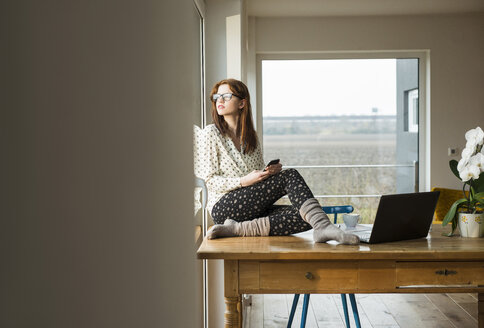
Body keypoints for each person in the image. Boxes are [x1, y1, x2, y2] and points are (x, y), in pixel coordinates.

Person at [198, 78, 358, 245]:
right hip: (224, 207)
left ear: (242, 103)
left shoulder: (251, 137)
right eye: (217, 96)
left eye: (226, 96)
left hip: (249, 206)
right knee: (289, 175)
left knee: (305, 216)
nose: (220, 100)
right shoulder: (210, 133)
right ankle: (324, 227)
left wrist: (267, 174)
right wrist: (243, 181)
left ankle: (235, 229)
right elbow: (209, 181)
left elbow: (256, 180)